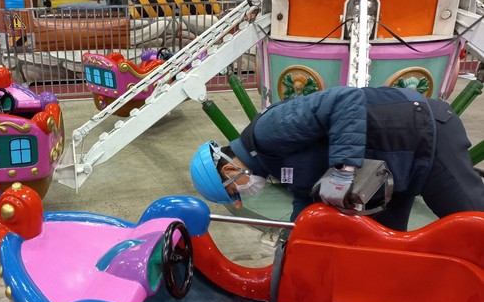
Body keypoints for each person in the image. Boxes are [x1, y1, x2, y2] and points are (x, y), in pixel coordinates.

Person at [190, 86, 484, 231]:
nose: (243, 194)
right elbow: (304, 195)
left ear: (229, 170)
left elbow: (345, 99)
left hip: (423, 132)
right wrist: (296, 235)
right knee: (381, 244)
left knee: (472, 226)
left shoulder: (267, 131)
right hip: (390, 168)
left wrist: (344, 167)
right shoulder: (269, 162)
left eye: (234, 190)